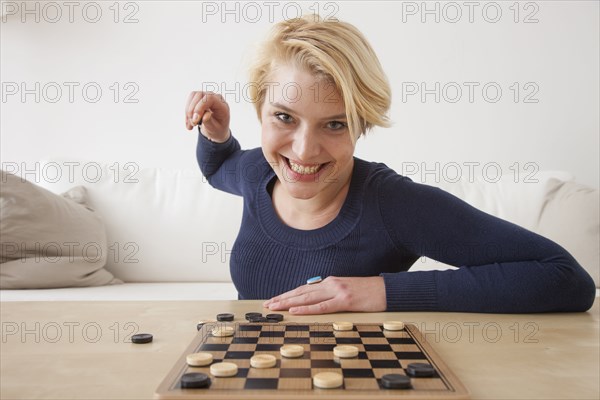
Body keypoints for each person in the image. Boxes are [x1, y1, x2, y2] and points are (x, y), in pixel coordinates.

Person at [185, 15, 595, 314]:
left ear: (362, 125)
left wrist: (381, 291)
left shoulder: (392, 203)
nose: (305, 151)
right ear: (259, 110)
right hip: (248, 375)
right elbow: (219, 168)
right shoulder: (258, 170)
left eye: (334, 124)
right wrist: (215, 136)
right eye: (284, 117)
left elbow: (564, 278)